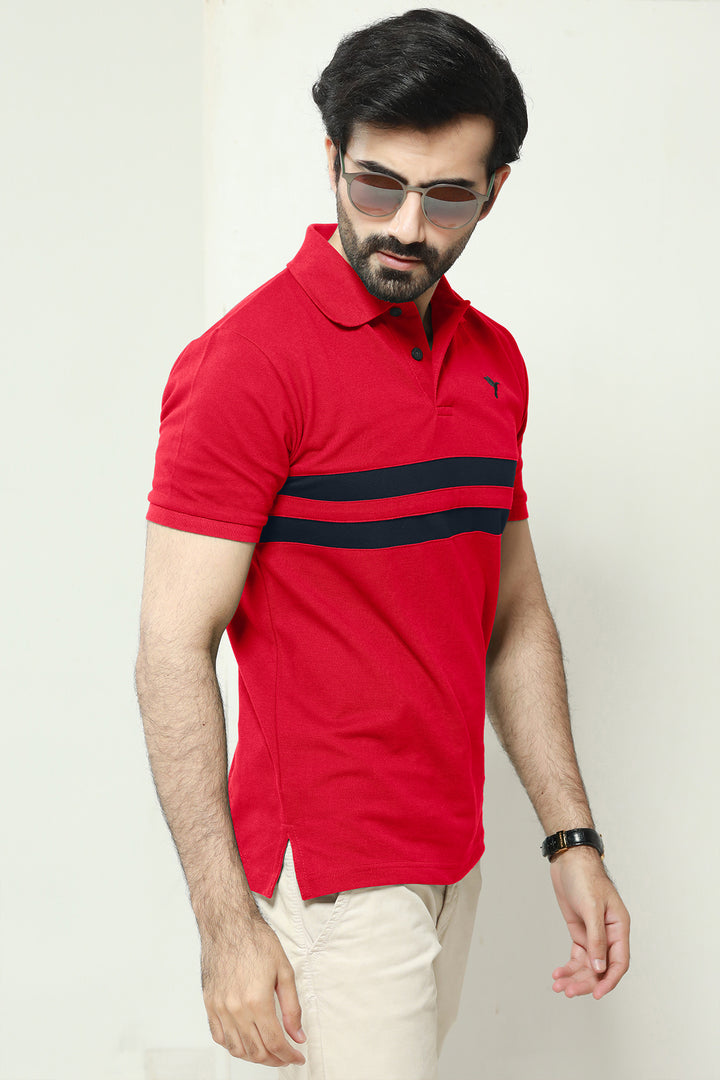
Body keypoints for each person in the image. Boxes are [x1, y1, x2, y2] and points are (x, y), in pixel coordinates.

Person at [135, 8, 630, 1078]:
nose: (406, 227)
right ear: (331, 160)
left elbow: (513, 615)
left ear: (495, 189)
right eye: (376, 185)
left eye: (447, 195)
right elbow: (172, 647)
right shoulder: (248, 366)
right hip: (334, 884)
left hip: (452, 858)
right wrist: (226, 925)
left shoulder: (493, 361)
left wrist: (571, 838)